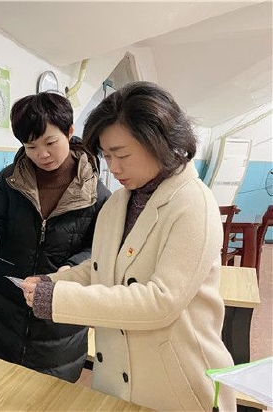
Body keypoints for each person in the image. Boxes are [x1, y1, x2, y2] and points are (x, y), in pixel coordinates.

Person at [21, 82, 236, 411]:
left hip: (176, 382)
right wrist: (54, 282)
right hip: (117, 376)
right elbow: (101, 268)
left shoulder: (194, 204)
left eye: (121, 155)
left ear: (159, 142)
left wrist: (60, 298)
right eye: (107, 156)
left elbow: (161, 301)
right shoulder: (118, 203)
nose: (114, 167)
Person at [0, 92, 110, 383]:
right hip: (0, 314)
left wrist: (72, 269)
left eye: (50, 143)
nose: (42, 154)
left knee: (46, 397)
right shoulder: (9, 180)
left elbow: (99, 250)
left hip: (59, 322)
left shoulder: (97, 195)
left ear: (69, 131)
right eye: (31, 146)